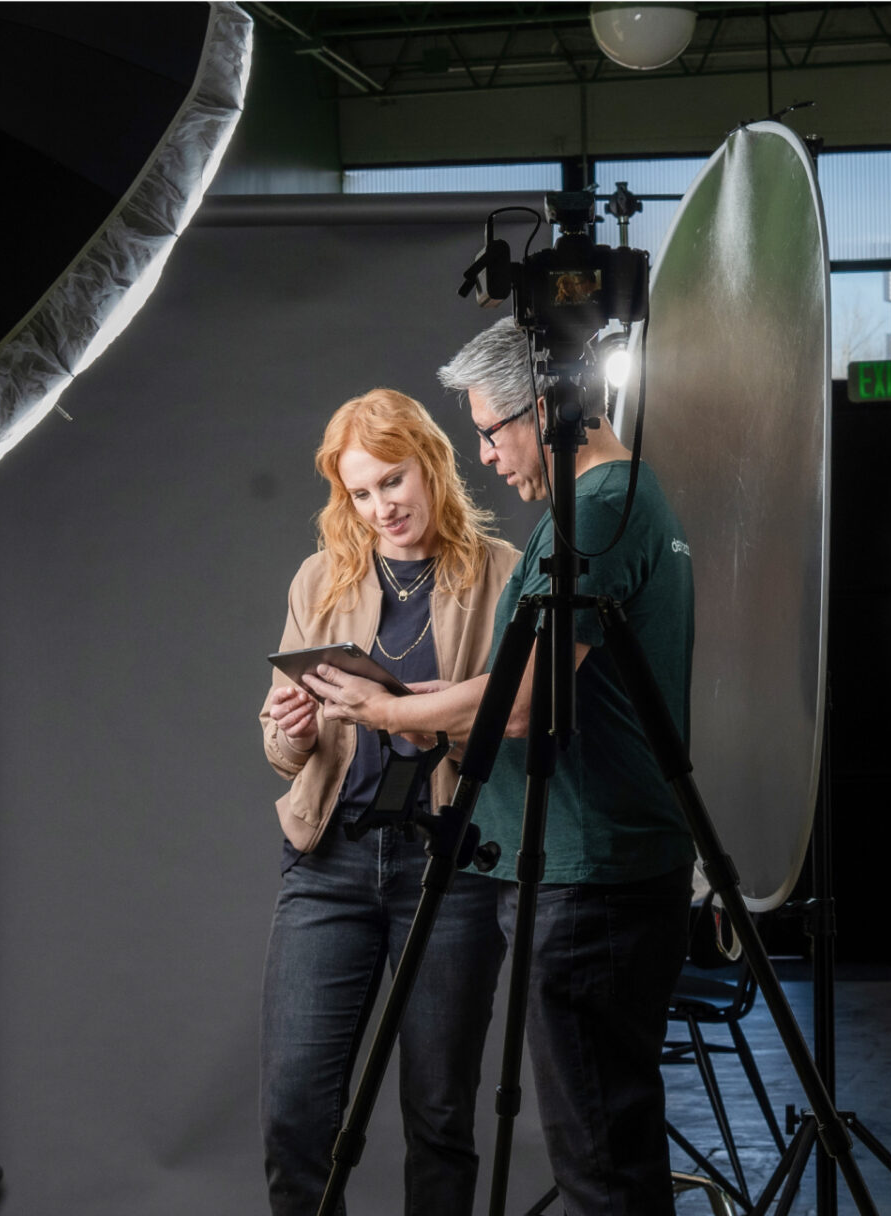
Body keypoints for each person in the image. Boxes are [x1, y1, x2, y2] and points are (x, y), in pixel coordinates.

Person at [304, 318, 698, 1216]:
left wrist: (392, 711)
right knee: (614, 1145)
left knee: (600, 1167)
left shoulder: (590, 516)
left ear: (552, 407)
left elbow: (524, 703)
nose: (484, 454)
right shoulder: (635, 499)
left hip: (586, 878)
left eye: (491, 429)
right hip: (613, 869)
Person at [257, 387, 518, 1216]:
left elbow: (520, 722)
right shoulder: (321, 577)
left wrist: (427, 717)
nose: (380, 507)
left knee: (438, 1115)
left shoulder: (504, 571)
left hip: (449, 865)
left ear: (433, 464)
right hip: (328, 862)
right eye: (361, 493)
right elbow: (277, 747)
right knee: (297, 1112)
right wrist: (291, 725)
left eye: (393, 481)